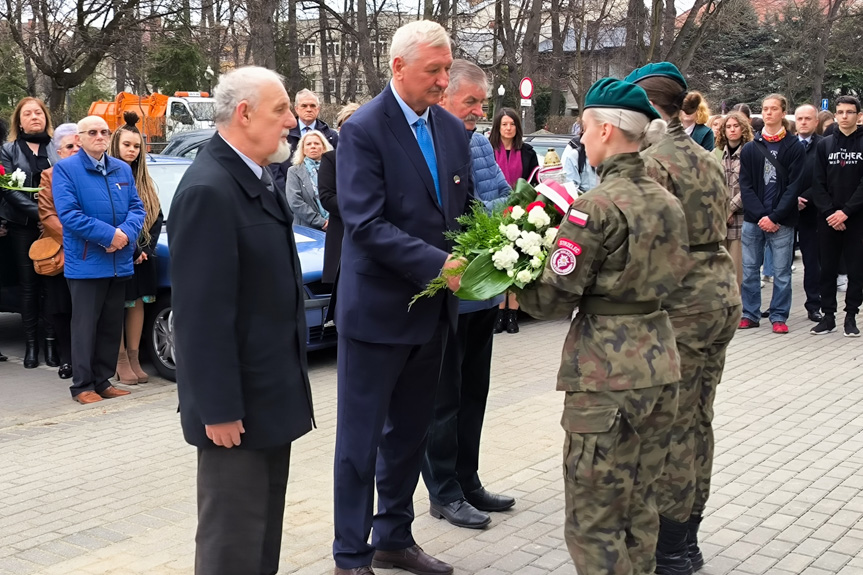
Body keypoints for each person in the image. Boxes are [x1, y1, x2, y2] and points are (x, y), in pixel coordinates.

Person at [517, 77, 689, 575]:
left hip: (605, 376)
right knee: (640, 506)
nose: (583, 138)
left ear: (608, 132)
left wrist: (512, 285)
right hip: (659, 361)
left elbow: (551, 299)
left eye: (586, 128)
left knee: (595, 520)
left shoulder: (595, 207)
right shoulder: (666, 200)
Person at [332, 20, 471, 575]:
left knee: (409, 436)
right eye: (433, 71)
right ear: (398, 67)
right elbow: (364, 224)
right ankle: (350, 554)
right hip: (377, 313)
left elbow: (459, 217)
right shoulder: (364, 130)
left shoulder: (453, 131)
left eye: (446, 69)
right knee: (359, 443)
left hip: (434, 314)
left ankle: (393, 536)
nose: (443, 81)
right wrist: (440, 264)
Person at [168, 66, 313, 575]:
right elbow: (201, 316)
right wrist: (219, 409)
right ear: (244, 114)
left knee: (260, 539)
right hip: (236, 412)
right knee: (232, 544)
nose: (292, 122)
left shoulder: (252, 176)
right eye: (281, 110)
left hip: (267, 398)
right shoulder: (210, 189)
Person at [626, 62, 742, 573]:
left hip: (682, 301)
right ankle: (686, 536)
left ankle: (671, 546)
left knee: (671, 427)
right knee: (699, 420)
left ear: (649, 106)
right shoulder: (705, 154)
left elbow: (644, 244)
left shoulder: (653, 161)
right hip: (718, 292)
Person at [421, 59, 514, 531]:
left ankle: (468, 479)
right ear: (442, 95)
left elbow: (501, 199)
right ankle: (443, 491)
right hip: (448, 291)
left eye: (482, 102)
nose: (478, 111)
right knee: (444, 397)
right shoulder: (426, 145)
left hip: (483, 290)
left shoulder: (478, 143)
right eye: (470, 102)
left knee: (475, 391)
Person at [53, 115, 145, 404]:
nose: (100, 136)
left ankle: (103, 380)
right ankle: (82, 386)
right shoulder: (66, 170)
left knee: (110, 323)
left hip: (118, 261)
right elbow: (69, 215)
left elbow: (137, 208)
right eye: (92, 132)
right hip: (87, 261)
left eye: (104, 131)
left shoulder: (121, 169)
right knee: (85, 327)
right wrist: (109, 236)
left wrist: (124, 235)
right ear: (79, 138)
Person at [737, 93, 804, 333]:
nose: (768, 113)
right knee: (750, 269)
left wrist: (774, 216)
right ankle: (750, 313)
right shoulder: (751, 148)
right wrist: (761, 215)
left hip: (782, 220)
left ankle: (778, 316)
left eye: (774, 109)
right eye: (765, 109)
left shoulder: (794, 147)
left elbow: (794, 186)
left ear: (783, 112)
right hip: (754, 220)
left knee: (782, 273)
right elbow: (745, 185)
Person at [0, 97, 59, 369]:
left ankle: (51, 343)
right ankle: (32, 346)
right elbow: (9, 189)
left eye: (38, 112)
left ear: (46, 117)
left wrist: (51, 220)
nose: (34, 117)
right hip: (23, 227)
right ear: (19, 120)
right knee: (29, 286)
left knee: (52, 285)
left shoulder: (57, 148)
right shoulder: (9, 150)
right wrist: (41, 215)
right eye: (27, 113)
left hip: (55, 229)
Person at [109, 111, 163, 385]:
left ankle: (134, 357)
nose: (131, 151)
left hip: (143, 255)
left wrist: (145, 248)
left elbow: (156, 217)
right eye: (126, 145)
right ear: (115, 145)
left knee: (139, 302)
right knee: (119, 305)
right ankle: (119, 361)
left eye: (136, 146)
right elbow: (112, 218)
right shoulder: (107, 176)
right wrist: (131, 248)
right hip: (119, 252)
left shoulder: (145, 179)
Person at [810, 96, 863, 337]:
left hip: (856, 217)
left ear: (858, 116)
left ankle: (851, 316)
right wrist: (831, 213)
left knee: (855, 269)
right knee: (828, 268)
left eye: (849, 112)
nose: (844, 116)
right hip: (828, 218)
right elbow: (818, 182)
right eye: (840, 112)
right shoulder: (824, 144)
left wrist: (846, 212)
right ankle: (828, 316)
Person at [489, 108, 538, 334]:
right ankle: (499, 313)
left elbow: (534, 183)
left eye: (512, 124)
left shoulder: (527, 152)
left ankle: (512, 314)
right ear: (498, 127)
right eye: (504, 124)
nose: (508, 128)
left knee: (517, 263)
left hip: (521, 215)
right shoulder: (489, 150)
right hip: (495, 214)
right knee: (499, 261)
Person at [38, 123, 80, 380]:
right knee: (62, 307)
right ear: (59, 152)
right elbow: (47, 214)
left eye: (78, 145)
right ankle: (67, 359)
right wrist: (73, 240)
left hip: (89, 250)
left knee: (84, 309)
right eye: (69, 147)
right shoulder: (49, 175)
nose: (75, 150)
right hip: (60, 249)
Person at [319, 103, 360, 286]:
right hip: (342, 234)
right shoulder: (331, 159)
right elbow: (327, 197)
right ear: (340, 129)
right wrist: (363, 207)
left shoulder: (380, 158)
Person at [270, 88, 339, 192]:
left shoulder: (331, 136)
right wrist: (287, 194)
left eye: (312, 106)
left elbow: (339, 167)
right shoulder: (283, 134)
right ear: (297, 109)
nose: (308, 109)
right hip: (289, 194)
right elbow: (274, 165)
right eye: (304, 106)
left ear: (318, 109)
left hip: (324, 196)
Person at [794, 104, 824, 323]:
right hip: (786, 210)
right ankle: (778, 308)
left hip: (812, 211)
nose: (803, 122)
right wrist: (790, 200)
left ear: (815, 122)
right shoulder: (786, 145)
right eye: (800, 118)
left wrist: (806, 199)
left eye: (807, 119)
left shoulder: (824, 146)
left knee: (812, 262)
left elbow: (825, 179)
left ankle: (814, 305)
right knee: (779, 264)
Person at [717, 111, 754, 286]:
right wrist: (722, 210)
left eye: (736, 126)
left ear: (743, 128)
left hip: (740, 217)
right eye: (728, 127)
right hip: (720, 218)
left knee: (738, 268)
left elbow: (749, 185)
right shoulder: (718, 155)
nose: (732, 130)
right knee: (720, 268)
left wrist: (730, 208)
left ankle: (739, 306)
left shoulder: (750, 152)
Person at [286, 129, 334, 230]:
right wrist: (321, 222)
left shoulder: (334, 169)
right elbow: (295, 202)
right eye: (308, 144)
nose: (313, 146)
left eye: (317, 143)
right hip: (307, 228)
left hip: (335, 225)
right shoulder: (294, 171)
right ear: (302, 149)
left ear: (324, 147)